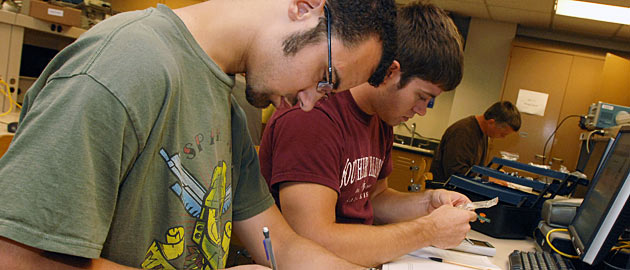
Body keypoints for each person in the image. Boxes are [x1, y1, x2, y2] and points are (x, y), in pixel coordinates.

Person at [0, 0, 398, 269]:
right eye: (325, 77)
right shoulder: (126, 64)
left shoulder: (225, 104)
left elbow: (280, 242)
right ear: (305, 6)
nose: (310, 103)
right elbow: (15, 258)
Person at [258, 2, 477, 267]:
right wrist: (428, 230)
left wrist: (428, 202)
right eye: (422, 97)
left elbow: (374, 198)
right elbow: (313, 239)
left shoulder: (380, 119)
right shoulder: (313, 116)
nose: (421, 111)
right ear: (390, 72)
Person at [429, 101, 521, 182]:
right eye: (502, 134)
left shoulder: (483, 133)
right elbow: (456, 173)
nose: (502, 138)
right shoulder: (463, 132)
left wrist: (492, 173)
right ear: (491, 122)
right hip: (446, 191)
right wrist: (488, 178)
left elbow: (475, 168)